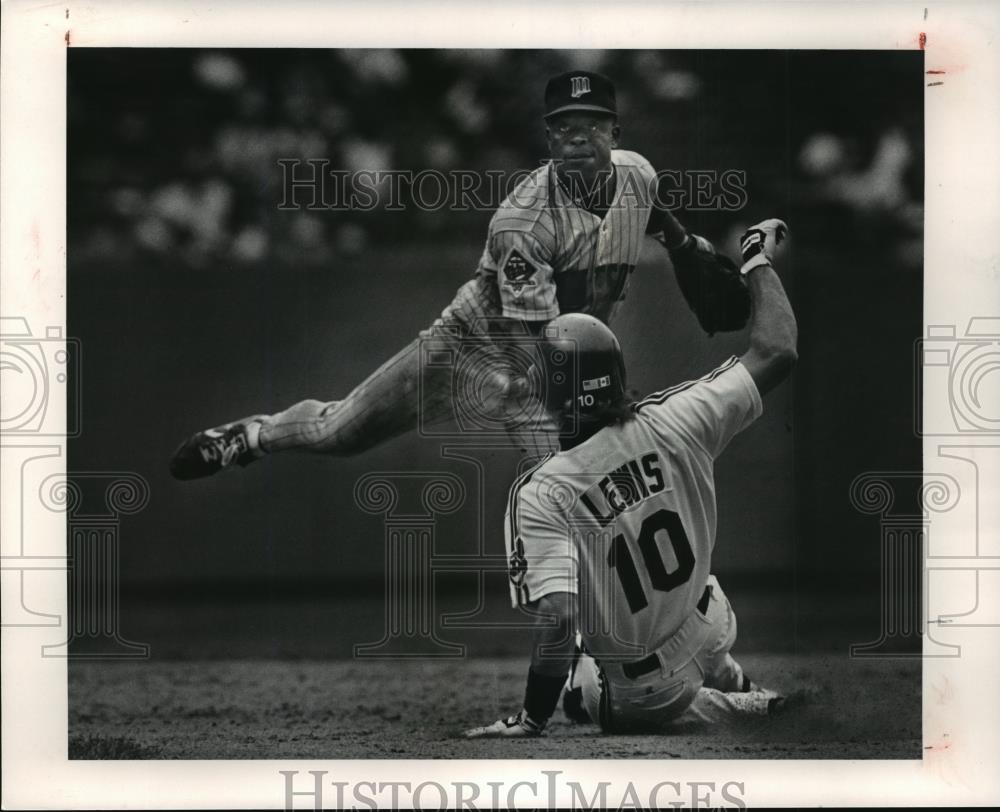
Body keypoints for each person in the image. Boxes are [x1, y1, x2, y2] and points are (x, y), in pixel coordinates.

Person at [170, 70, 748, 479]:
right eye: (564, 125)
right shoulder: (523, 221)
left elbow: (656, 216)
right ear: (548, 138)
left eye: (592, 124)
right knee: (339, 434)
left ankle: (578, 639)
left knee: (572, 488)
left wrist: (684, 246)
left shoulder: (637, 176)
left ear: (615, 134)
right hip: (479, 346)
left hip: (556, 354)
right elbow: (536, 352)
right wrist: (601, 397)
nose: (578, 136)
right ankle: (252, 436)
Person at [464, 218, 796, 738]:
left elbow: (558, 615)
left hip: (647, 693)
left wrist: (530, 718)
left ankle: (730, 706)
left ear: (554, 394)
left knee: (581, 686)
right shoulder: (677, 418)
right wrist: (755, 260)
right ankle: (740, 684)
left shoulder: (543, 491)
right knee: (685, 610)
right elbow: (778, 351)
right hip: (711, 623)